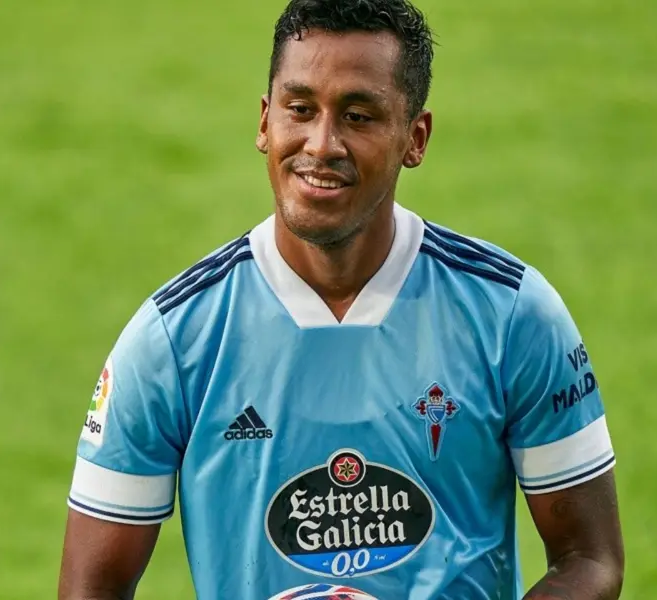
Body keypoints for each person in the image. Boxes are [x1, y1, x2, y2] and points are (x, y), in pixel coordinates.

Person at [57, 0, 625, 598]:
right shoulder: (175, 340)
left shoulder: (512, 316)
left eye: (358, 116)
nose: (321, 144)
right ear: (264, 121)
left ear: (416, 137)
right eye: (299, 109)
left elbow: (589, 559)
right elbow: (92, 588)